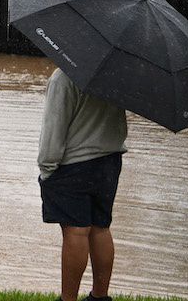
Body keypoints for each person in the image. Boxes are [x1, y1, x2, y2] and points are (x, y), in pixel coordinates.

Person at [38, 67, 128, 301]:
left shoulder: (63, 78)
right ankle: (100, 296)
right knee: (101, 228)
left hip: (74, 164)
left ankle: (68, 299)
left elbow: (53, 128)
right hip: (109, 162)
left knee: (76, 232)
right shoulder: (115, 74)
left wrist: (47, 168)